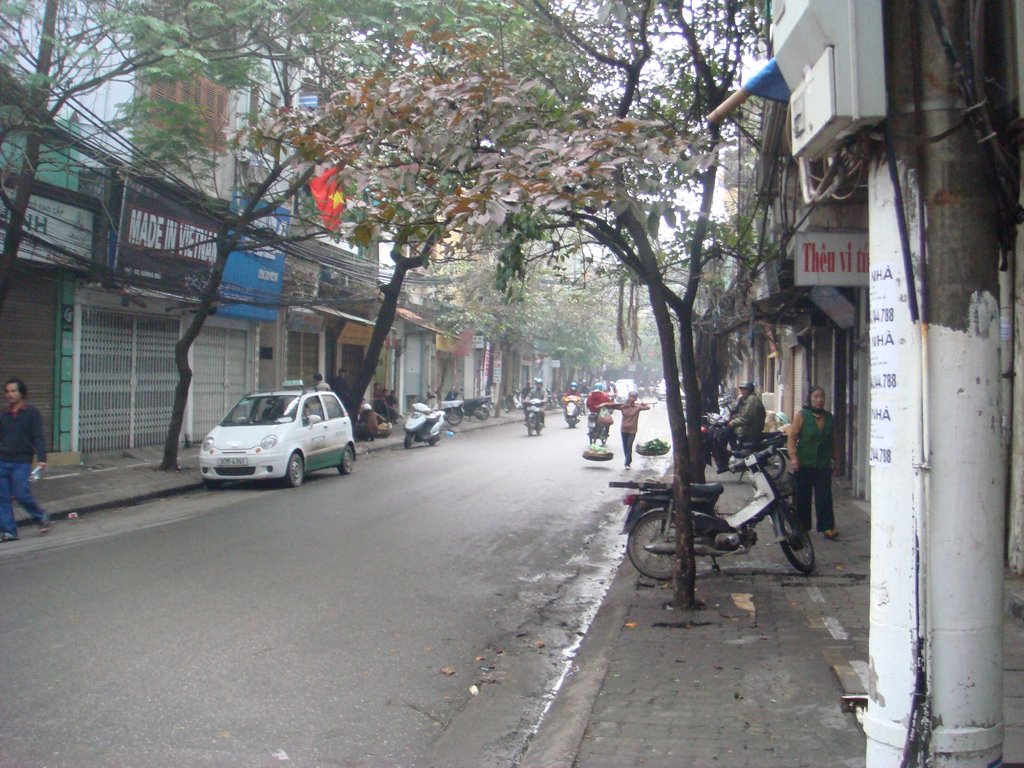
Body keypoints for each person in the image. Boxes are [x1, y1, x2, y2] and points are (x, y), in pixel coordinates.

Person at [0, 378, 50, 541]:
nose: (10, 394)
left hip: (21, 461)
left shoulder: (31, 413)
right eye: (7, 391)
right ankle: (10, 532)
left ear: (21, 392)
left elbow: (38, 437)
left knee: (21, 494)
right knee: (3, 497)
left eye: (13, 391)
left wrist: (42, 459)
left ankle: (40, 516)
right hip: (3, 460)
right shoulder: (4, 415)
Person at [787, 386, 838, 539]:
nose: (819, 400)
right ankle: (802, 526)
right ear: (810, 398)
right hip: (803, 464)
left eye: (822, 397)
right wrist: (794, 457)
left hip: (822, 465)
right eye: (816, 396)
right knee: (802, 497)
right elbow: (792, 437)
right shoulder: (802, 416)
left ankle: (827, 527)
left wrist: (837, 460)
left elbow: (834, 441)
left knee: (824, 496)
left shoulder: (829, 418)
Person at [714, 381, 766, 472]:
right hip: (749, 425)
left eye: (744, 389)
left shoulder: (752, 400)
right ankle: (735, 451)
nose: (742, 391)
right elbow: (736, 410)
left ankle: (735, 453)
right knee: (728, 430)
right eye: (741, 389)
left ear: (749, 390)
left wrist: (732, 423)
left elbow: (746, 418)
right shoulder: (744, 399)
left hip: (751, 428)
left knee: (728, 431)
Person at [606, 391, 651, 469]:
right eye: (631, 396)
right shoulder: (623, 406)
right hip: (624, 429)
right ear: (628, 397)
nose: (632, 398)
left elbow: (648, 407)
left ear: (636, 398)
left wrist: (644, 404)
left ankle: (627, 463)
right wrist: (604, 405)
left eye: (634, 397)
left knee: (629, 446)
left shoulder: (637, 407)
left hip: (632, 430)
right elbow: (612, 406)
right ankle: (627, 460)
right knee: (625, 446)